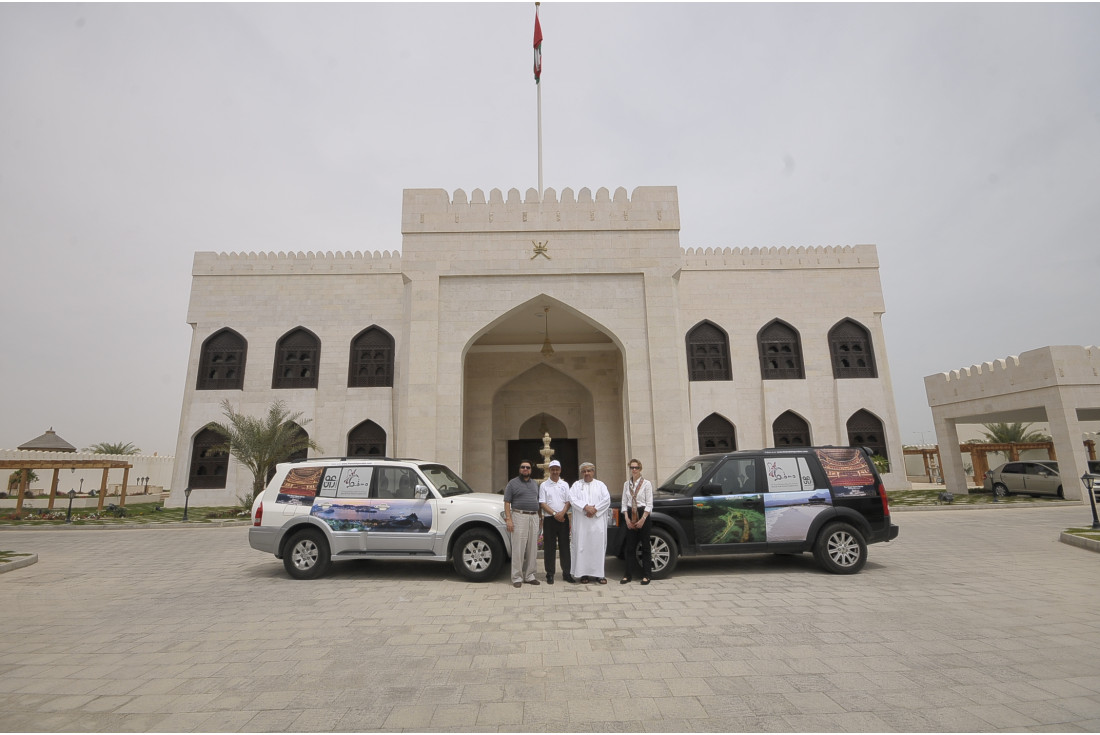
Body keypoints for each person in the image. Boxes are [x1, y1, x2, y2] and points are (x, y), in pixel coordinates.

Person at [568, 462, 611, 584]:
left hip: (597, 522)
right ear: (582, 473)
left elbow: (606, 499)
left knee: (597, 547)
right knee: (582, 547)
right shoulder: (576, 485)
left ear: (593, 472)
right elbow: (572, 498)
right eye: (584, 471)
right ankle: (583, 574)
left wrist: (595, 509)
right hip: (582, 523)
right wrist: (585, 507)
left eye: (589, 471)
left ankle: (599, 574)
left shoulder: (600, 485)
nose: (587, 473)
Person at [503, 460, 541, 588]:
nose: (525, 469)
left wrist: (540, 519)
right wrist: (509, 519)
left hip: (534, 517)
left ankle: (530, 575)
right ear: (519, 469)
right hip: (519, 516)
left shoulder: (535, 484)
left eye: (528, 467)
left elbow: (538, 502)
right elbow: (507, 502)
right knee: (518, 548)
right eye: (523, 467)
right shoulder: (512, 483)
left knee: (532, 548)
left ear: (531, 470)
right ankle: (517, 577)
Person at [538, 459, 575, 584]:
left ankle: (566, 573)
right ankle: (550, 573)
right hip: (549, 519)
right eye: (552, 469)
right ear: (549, 470)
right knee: (549, 547)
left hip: (563, 519)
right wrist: (554, 514)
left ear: (560, 470)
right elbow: (542, 503)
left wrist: (562, 513)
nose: (555, 471)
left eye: (557, 469)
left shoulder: (564, 484)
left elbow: (568, 501)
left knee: (565, 547)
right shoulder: (544, 485)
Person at [620, 458, 654, 585]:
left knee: (645, 546)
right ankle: (628, 575)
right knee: (630, 547)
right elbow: (624, 503)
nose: (634, 470)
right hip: (630, 514)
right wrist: (627, 519)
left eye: (636, 468)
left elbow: (649, 504)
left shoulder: (646, 484)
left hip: (642, 514)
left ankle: (646, 575)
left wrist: (643, 519)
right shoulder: (626, 484)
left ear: (640, 469)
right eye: (632, 468)